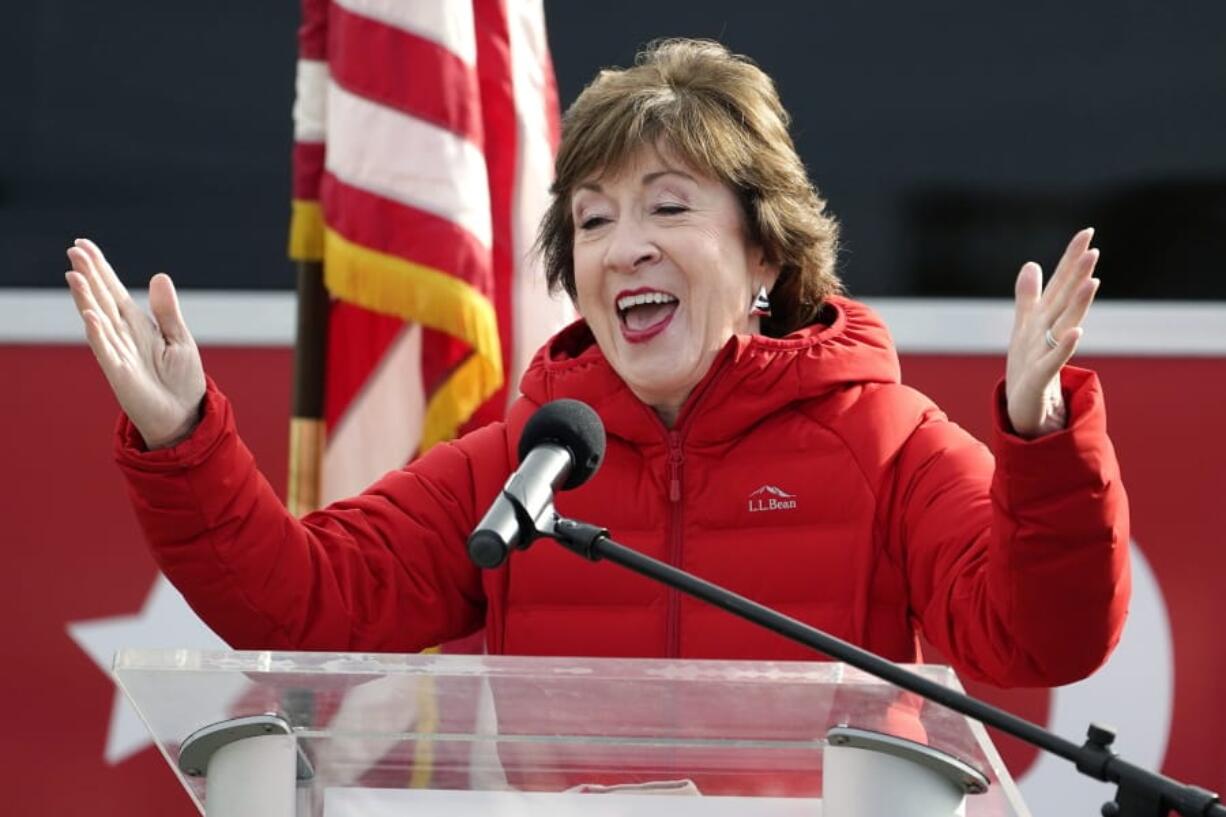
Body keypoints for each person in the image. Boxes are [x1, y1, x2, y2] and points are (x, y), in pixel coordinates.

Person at [65, 38, 1128, 688]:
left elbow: (1043, 640)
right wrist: (181, 440)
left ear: (765, 247)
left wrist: (1038, 442)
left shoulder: (883, 442)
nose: (624, 247)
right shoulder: (524, 462)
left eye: (669, 208)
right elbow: (298, 601)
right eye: (592, 219)